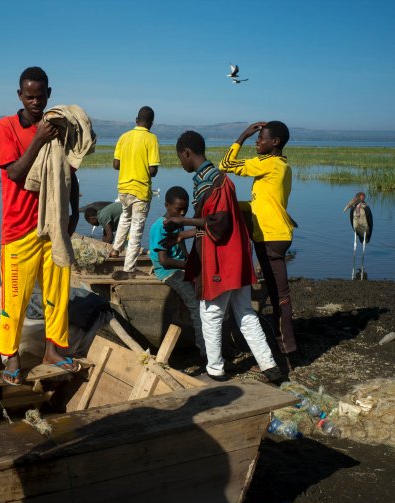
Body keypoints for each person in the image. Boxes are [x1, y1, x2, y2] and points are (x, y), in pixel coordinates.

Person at [165, 130, 282, 383]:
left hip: (222, 259)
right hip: (237, 257)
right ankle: (271, 367)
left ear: (186, 153)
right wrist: (184, 232)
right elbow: (215, 221)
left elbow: (218, 223)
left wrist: (183, 219)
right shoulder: (218, 179)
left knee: (211, 313)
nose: (180, 163)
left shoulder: (212, 183)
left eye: (180, 158)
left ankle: (215, 371)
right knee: (245, 313)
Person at [0, 66, 80, 385]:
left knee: (58, 293)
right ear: (20, 95)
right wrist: (39, 139)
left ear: (48, 95)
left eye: (40, 96)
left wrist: (74, 212)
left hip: (53, 225)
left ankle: (53, 351)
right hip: (19, 229)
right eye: (29, 96)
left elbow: (70, 172)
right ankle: (11, 354)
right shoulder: (7, 127)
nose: (34, 101)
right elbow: (15, 173)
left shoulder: (58, 127)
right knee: (15, 297)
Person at [219, 121, 299, 371]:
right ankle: (280, 353)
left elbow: (226, 166)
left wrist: (242, 135)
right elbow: (263, 203)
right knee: (278, 297)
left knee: (281, 298)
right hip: (274, 234)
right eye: (256, 137)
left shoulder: (270, 164)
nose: (257, 141)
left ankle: (285, 357)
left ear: (275, 142)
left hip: (272, 238)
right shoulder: (281, 165)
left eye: (260, 138)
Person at [149, 186, 205, 358]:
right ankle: (205, 353)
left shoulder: (177, 223)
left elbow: (182, 245)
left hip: (180, 266)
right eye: (177, 209)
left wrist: (190, 260)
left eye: (184, 209)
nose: (181, 213)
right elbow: (164, 260)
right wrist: (188, 266)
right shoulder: (161, 227)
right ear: (166, 205)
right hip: (169, 271)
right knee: (196, 305)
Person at [109, 106, 160, 279]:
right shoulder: (151, 139)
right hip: (140, 190)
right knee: (137, 228)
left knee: (125, 217)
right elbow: (153, 170)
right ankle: (129, 268)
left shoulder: (124, 137)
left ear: (136, 120)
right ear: (151, 123)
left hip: (123, 188)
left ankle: (115, 250)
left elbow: (116, 165)